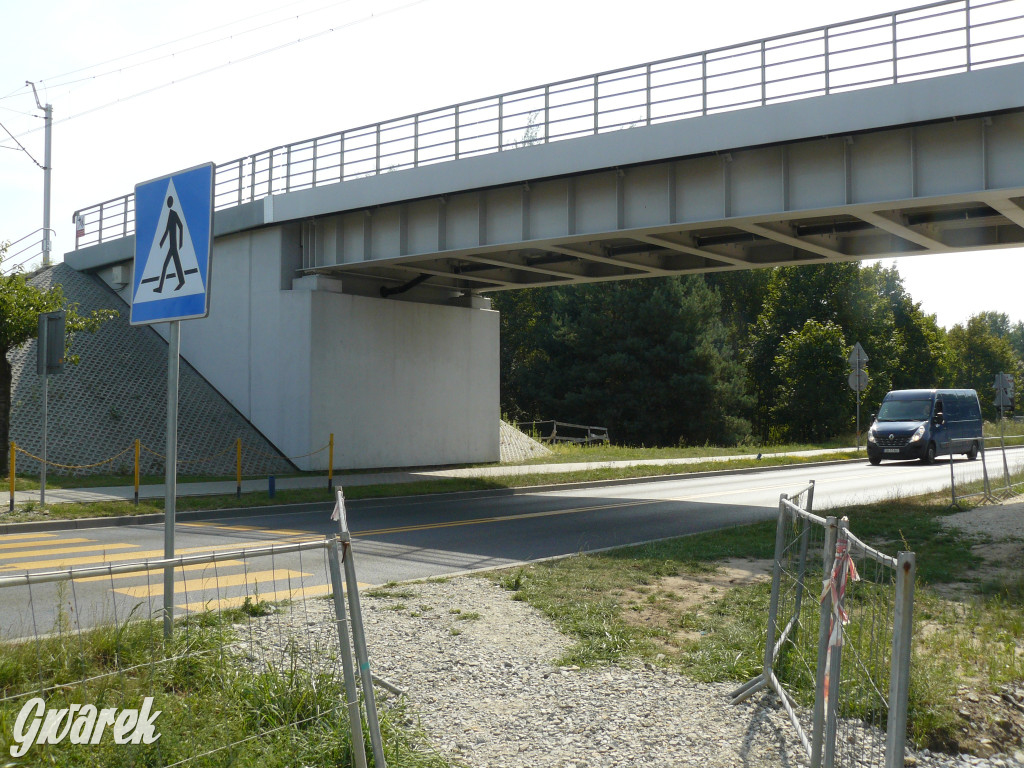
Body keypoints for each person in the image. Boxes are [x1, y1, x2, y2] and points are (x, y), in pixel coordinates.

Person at [155, 196, 185, 293]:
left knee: (166, 265)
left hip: (174, 245)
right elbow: (167, 230)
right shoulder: (169, 215)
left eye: (169, 202)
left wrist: (181, 242)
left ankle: (161, 287)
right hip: (171, 246)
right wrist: (162, 242)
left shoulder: (174, 214)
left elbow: (181, 226)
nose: (168, 203)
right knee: (174, 265)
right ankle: (181, 281)